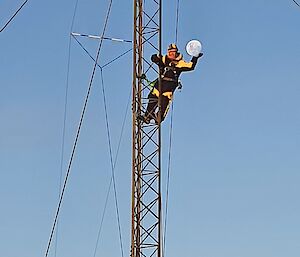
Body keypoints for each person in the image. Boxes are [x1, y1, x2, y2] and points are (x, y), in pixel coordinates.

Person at [138, 43, 203, 124]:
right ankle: (147, 116)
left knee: (164, 102)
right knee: (152, 99)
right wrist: (156, 58)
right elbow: (154, 58)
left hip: (169, 87)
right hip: (159, 84)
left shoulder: (180, 63)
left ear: (176, 52)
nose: (171, 54)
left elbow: (191, 66)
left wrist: (195, 57)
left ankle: (158, 117)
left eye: (173, 52)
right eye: (170, 52)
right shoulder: (164, 59)